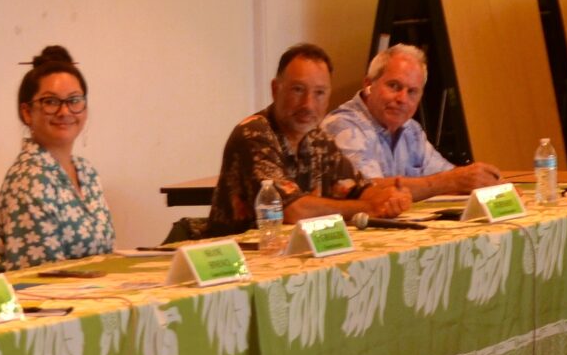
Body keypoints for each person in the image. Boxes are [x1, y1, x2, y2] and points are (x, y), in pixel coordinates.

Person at [208, 45, 412, 234]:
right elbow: (290, 210)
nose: (308, 103)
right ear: (275, 89)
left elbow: (359, 189)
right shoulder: (254, 133)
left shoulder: (318, 139)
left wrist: (389, 199)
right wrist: (370, 207)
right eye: (298, 90)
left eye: (319, 93)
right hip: (236, 263)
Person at [0, 45, 115, 271]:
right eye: (51, 102)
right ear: (27, 112)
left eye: (74, 100)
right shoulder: (30, 178)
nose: (65, 112)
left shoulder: (86, 171)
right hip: (40, 303)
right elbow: (41, 280)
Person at [323, 42, 501, 198]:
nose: (402, 99)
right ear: (369, 84)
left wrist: (484, 183)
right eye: (394, 86)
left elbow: (448, 176)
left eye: (412, 92)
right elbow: (367, 189)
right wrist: (450, 182)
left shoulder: (410, 129)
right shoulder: (343, 125)